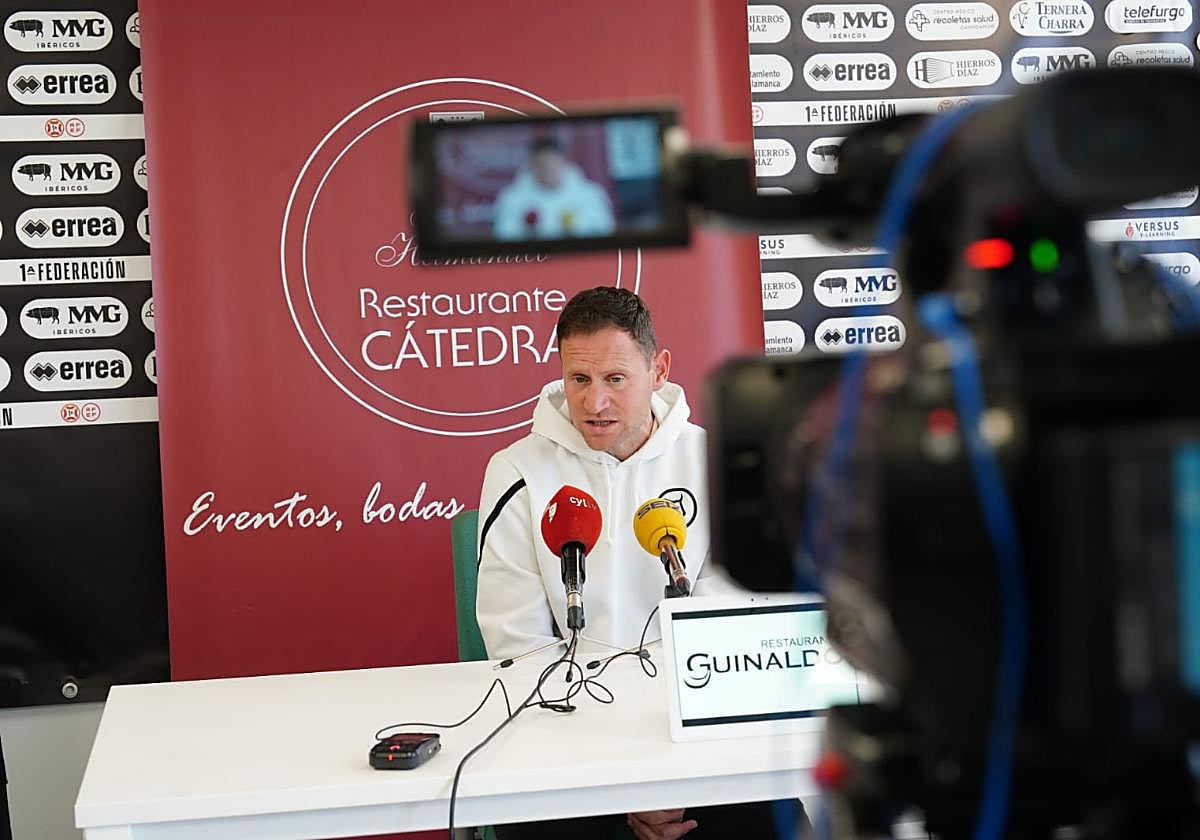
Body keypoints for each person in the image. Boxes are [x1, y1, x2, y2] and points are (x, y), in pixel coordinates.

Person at [476, 288, 792, 840]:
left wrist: (669, 772)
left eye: (615, 380)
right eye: (579, 380)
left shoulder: (715, 461)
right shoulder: (516, 472)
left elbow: (736, 638)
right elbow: (517, 644)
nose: (594, 403)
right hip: (569, 750)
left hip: (699, 747)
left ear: (659, 370)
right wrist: (619, 779)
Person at [492, 137, 616, 241]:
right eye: (541, 165)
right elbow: (503, 236)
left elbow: (605, 232)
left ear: (563, 163)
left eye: (552, 163)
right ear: (531, 165)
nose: (547, 170)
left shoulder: (590, 194)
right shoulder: (511, 198)